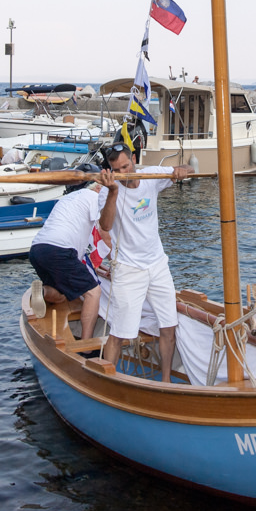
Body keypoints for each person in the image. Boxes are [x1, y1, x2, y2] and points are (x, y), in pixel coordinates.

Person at [100, 143, 192, 382]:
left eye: (126, 166)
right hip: (128, 268)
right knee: (119, 332)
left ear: (134, 159)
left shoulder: (151, 176)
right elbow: (106, 226)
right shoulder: (108, 190)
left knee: (168, 326)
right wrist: (112, 191)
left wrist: (180, 171)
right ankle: (108, 383)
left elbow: (184, 168)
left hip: (158, 264)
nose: (123, 174)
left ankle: (166, 381)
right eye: (117, 170)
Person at [27, 166, 118, 340]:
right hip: (60, 250)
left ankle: (42, 293)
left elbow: (86, 243)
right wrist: (115, 263)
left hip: (37, 250)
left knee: (61, 295)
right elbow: (104, 234)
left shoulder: (66, 199)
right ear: (98, 188)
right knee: (93, 292)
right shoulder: (94, 197)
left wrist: (98, 267)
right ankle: (85, 343)